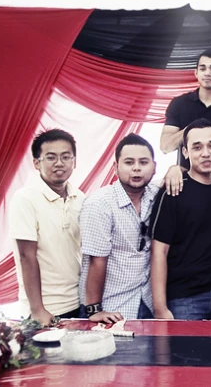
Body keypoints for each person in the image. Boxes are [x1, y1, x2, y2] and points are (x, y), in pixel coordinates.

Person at [150, 119, 211, 320]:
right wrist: (160, 308)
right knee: (185, 352)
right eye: (197, 147)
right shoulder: (173, 191)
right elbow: (159, 252)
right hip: (185, 297)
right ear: (185, 153)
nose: (206, 153)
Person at [79, 134, 159, 321]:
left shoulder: (155, 194)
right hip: (110, 306)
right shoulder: (99, 204)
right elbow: (95, 260)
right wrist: (94, 310)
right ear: (116, 168)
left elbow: (172, 178)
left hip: (147, 300)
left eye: (144, 162)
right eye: (129, 162)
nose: (137, 168)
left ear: (154, 168)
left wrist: (175, 170)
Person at [9, 129, 85, 325]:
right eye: (51, 157)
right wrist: (38, 310)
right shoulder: (25, 199)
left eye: (66, 157)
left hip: (77, 301)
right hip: (45, 309)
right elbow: (26, 256)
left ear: (74, 161)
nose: (59, 163)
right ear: (36, 162)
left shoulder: (80, 198)